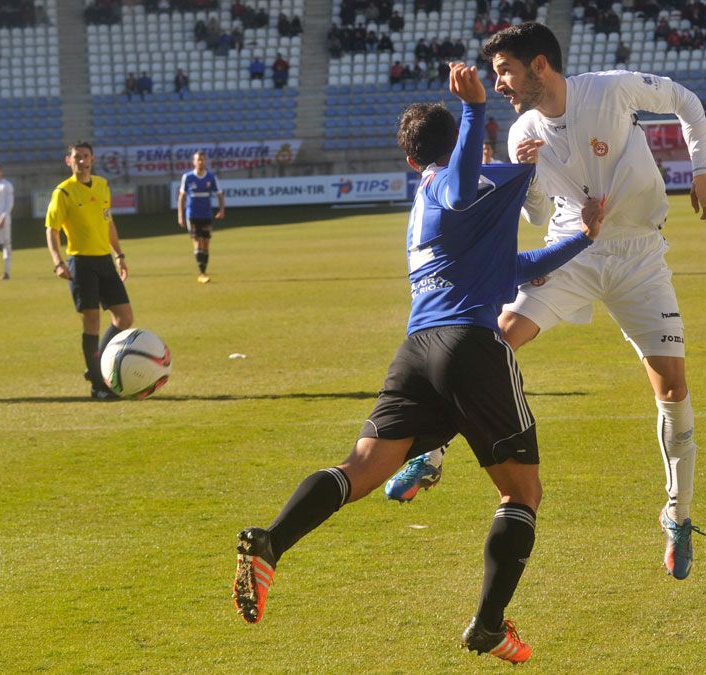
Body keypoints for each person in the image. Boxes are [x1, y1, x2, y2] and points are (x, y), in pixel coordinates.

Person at [231, 62, 601, 664]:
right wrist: (478, 110)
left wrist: (581, 238)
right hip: (469, 347)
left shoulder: (423, 205)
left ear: (409, 162)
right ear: (459, 147)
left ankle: (272, 543)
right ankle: (487, 624)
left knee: (361, 468)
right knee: (521, 493)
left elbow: (511, 272)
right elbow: (471, 188)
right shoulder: (468, 185)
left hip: (416, 352)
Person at [386, 23, 706, 582]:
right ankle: (433, 451)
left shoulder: (609, 89)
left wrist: (705, 171)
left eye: (505, 72)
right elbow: (539, 219)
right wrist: (527, 174)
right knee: (489, 337)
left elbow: (685, 101)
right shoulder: (524, 127)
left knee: (673, 388)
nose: (499, 84)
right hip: (572, 250)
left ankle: (678, 514)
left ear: (538, 66)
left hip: (640, 257)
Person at [44, 141, 133, 400]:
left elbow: (108, 223)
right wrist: (58, 262)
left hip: (104, 260)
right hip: (80, 263)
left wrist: (119, 255)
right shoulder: (63, 192)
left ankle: (95, 368)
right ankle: (97, 384)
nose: (81, 161)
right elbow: (52, 230)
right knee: (92, 320)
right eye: (76, 157)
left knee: (124, 317)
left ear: (92, 159)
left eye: (85, 156)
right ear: (68, 161)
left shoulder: (103, 185)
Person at [177, 151, 225, 283]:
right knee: (197, 242)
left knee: (206, 244)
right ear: (193, 162)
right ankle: (202, 273)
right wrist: (180, 215)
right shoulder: (187, 177)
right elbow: (181, 197)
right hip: (192, 215)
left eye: (202, 160)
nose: (200, 162)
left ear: (206, 161)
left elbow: (220, 194)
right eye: (198, 160)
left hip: (206, 214)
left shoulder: (211, 177)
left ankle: (204, 271)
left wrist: (221, 210)